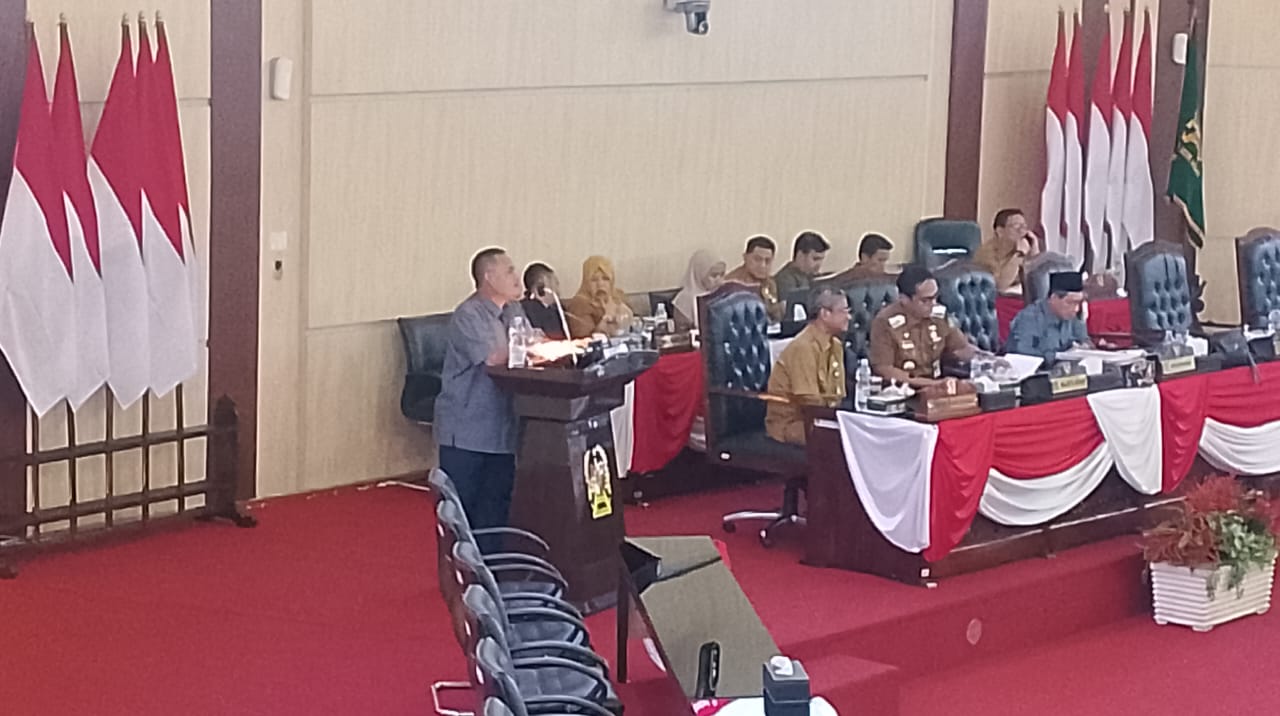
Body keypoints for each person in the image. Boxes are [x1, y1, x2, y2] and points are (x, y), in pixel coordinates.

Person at [433, 247, 527, 534]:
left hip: (503, 430)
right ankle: (461, 563)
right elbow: (493, 357)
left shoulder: (514, 310)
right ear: (488, 277)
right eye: (509, 271)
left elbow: (531, 345)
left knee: (496, 509)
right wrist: (536, 348)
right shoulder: (468, 315)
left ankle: (493, 561)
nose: (517, 276)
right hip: (468, 432)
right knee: (463, 512)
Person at [765, 286, 850, 445]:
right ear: (825, 314)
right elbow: (809, 401)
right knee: (843, 439)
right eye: (843, 311)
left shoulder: (836, 346)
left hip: (823, 418)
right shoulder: (803, 348)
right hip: (793, 423)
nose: (848, 317)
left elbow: (837, 395)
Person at [868, 264, 977, 387]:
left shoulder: (939, 315)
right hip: (904, 389)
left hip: (937, 386)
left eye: (935, 297)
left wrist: (985, 360)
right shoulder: (885, 322)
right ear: (904, 299)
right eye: (925, 300)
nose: (933, 304)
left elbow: (960, 348)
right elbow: (884, 369)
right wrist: (932, 384)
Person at [1006, 271, 1092, 364]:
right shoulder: (1029, 318)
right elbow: (1022, 353)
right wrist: (1055, 356)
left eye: (1078, 303)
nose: (1076, 308)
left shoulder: (1073, 316)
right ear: (1053, 298)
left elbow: (1084, 340)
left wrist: (1085, 346)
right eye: (1070, 303)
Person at [973, 208, 1042, 294]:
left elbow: (1039, 279)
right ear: (1000, 231)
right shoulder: (987, 253)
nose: (1022, 231)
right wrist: (1019, 254)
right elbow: (1000, 286)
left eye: (1024, 226)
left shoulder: (1024, 245)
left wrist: (1034, 248)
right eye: (1016, 226)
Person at [564, 255, 635, 339]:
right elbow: (584, 340)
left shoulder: (618, 296)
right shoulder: (579, 304)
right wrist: (604, 322)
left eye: (605, 279)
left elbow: (636, 325)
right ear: (586, 282)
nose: (600, 284)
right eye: (594, 280)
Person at [725, 235, 784, 323]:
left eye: (767, 261)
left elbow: (775, 316)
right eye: (757, 259)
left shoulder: (769, 283)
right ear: (745, 258)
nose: (762, 265)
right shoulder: (731, 284)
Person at [672, 249, 727, 331]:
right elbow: (682, 333)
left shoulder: (724, 294)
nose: (719, 280)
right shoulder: (684, 299)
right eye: (714, 275)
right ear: (700, 274)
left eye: (722, 274)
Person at [519, 262, 567, 340]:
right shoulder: (525, 309)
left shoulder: (558, 309)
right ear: (541, 284)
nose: (558, 290)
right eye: (556, 283)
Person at [830, 233, 895, 283]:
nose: (884, 265)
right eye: (880, 260)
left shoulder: (887, 281)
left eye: (885, 261)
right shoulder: (845, 281)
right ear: (865, 258)